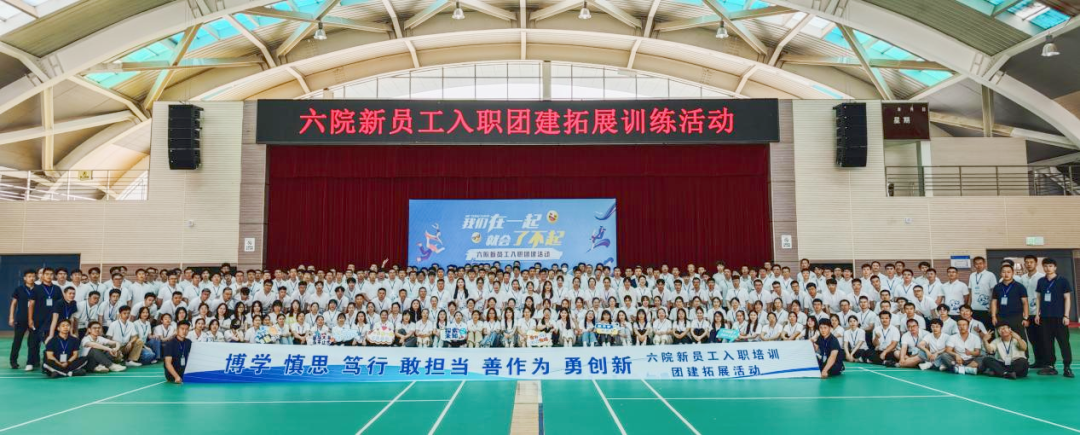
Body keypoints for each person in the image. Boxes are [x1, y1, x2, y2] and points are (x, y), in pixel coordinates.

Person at [1035, 258, 1073, 377]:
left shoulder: (1063, 281)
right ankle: (1050, 366)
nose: (1048, 268)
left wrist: (1066, 315)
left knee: (1064, 343)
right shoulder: (1041, 281)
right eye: (1045, 266)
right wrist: (1037, 314)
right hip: (1045, 318)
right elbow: (1038, 298)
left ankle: (1067, 367)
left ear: (1055, 267)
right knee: (1047, 343)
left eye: (1050, 266)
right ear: (1043, 267)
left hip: (1059, 317)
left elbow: (1067, 298)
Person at [990, 263, 1029, 345]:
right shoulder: (997, 287)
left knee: (1020, 339)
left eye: (1008, 272)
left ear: (1013, 273)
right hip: (1001, 318)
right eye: (1004, 272)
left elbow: (1025, 303)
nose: (1006, 274)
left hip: (1017, 318)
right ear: (1001, 273)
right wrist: (993, 316)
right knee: (1003, 340)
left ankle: (1024, 354)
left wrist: (1025, 318)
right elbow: (994, 302)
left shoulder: (1020, 287)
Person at [9, 269, 37, 370]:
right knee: (17, 341)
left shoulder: (38, 289)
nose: (31, 278)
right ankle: (13, 361)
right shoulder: (19, 289)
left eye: (33, 276)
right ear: (25, 278)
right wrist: (11, 317)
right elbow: (13, 304)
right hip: (21, 319)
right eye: (29, 276)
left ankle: (33, 361)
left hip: (34, 319)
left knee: (33, 342)